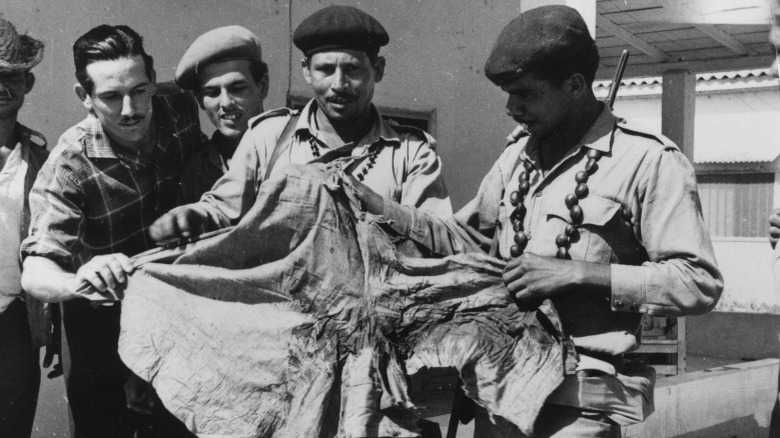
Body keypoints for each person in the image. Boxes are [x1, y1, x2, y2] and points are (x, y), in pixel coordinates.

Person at [347, 6, 723, 437]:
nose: (511, 107)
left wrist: (580, 274)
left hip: (577, 408)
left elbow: (698, 283)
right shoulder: (517, 156)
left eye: (525, 94)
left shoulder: (649, 161)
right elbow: (461, 238)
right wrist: (377, 204)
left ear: (575, 85)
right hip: (498, 397)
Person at [19, 24, 201, 438]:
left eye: (139, 90)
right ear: (84, 97)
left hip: (175, 306)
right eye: (110, 97)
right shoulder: (69, 163)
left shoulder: (181, 106)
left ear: (153, 82)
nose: (129, 109)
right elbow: (36, 270)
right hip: (100, 319)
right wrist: (78, 279)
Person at [149, 5, 451, 244]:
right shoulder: (269, 136)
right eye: (325, 70)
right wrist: (190, 216)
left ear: (379, 70)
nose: (339, 84)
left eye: (353, 69)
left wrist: (365, 198)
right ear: (307, 71)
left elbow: (439, 236)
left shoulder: (412, 152)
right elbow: (220, 209)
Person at [0, 17, 50, 438]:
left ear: (27, 83)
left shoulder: (39, 157)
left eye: (10, 76)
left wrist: (48, 321)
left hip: (14, 320)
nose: (1, 87)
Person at [175, 25, 269, 203]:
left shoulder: (293, 148)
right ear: (199, 99)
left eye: (237, 88)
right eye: (212, 92)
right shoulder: (196, 170)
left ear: (262, 86)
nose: (225, 103)